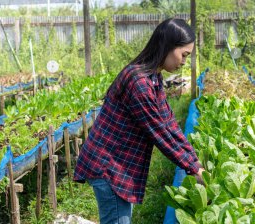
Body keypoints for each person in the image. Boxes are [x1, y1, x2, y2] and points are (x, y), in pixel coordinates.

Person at [74, 18, 204, 224]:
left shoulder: (153, 78)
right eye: (184, 55)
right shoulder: (139, 82)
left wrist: (193, 160)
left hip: (120, 165)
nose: (184, 62)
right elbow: (158, 131)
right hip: (109, 166)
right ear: (168, 47)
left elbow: (168, 122)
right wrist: (192, 168)